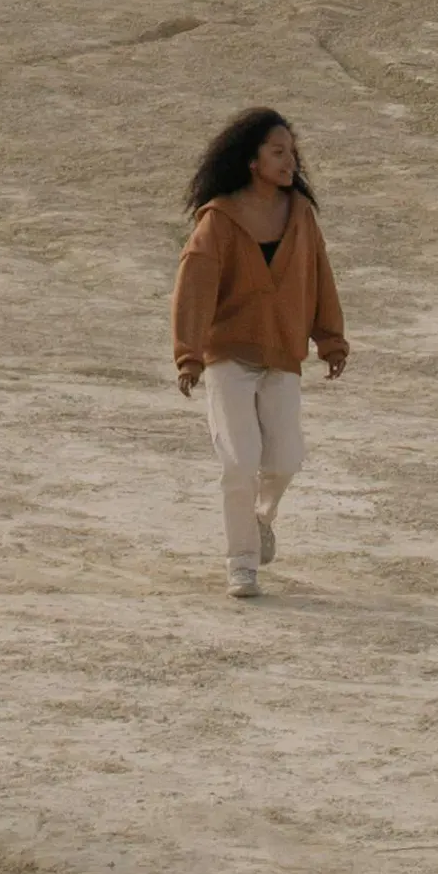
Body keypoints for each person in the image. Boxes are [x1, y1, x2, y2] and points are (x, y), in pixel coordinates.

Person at [169, 105, 348, 597]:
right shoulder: (219, 220)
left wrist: (330, 338)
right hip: (228, 354)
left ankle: (262, 519)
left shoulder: (302, 216)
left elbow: (320, 277)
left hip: (283, 353)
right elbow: (194, 287)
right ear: (252, 161)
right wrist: (188, 355)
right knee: (239, 460)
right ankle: (241, 562)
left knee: (286, 458)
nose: (291, 161)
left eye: (292, 152)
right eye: (278, 152)